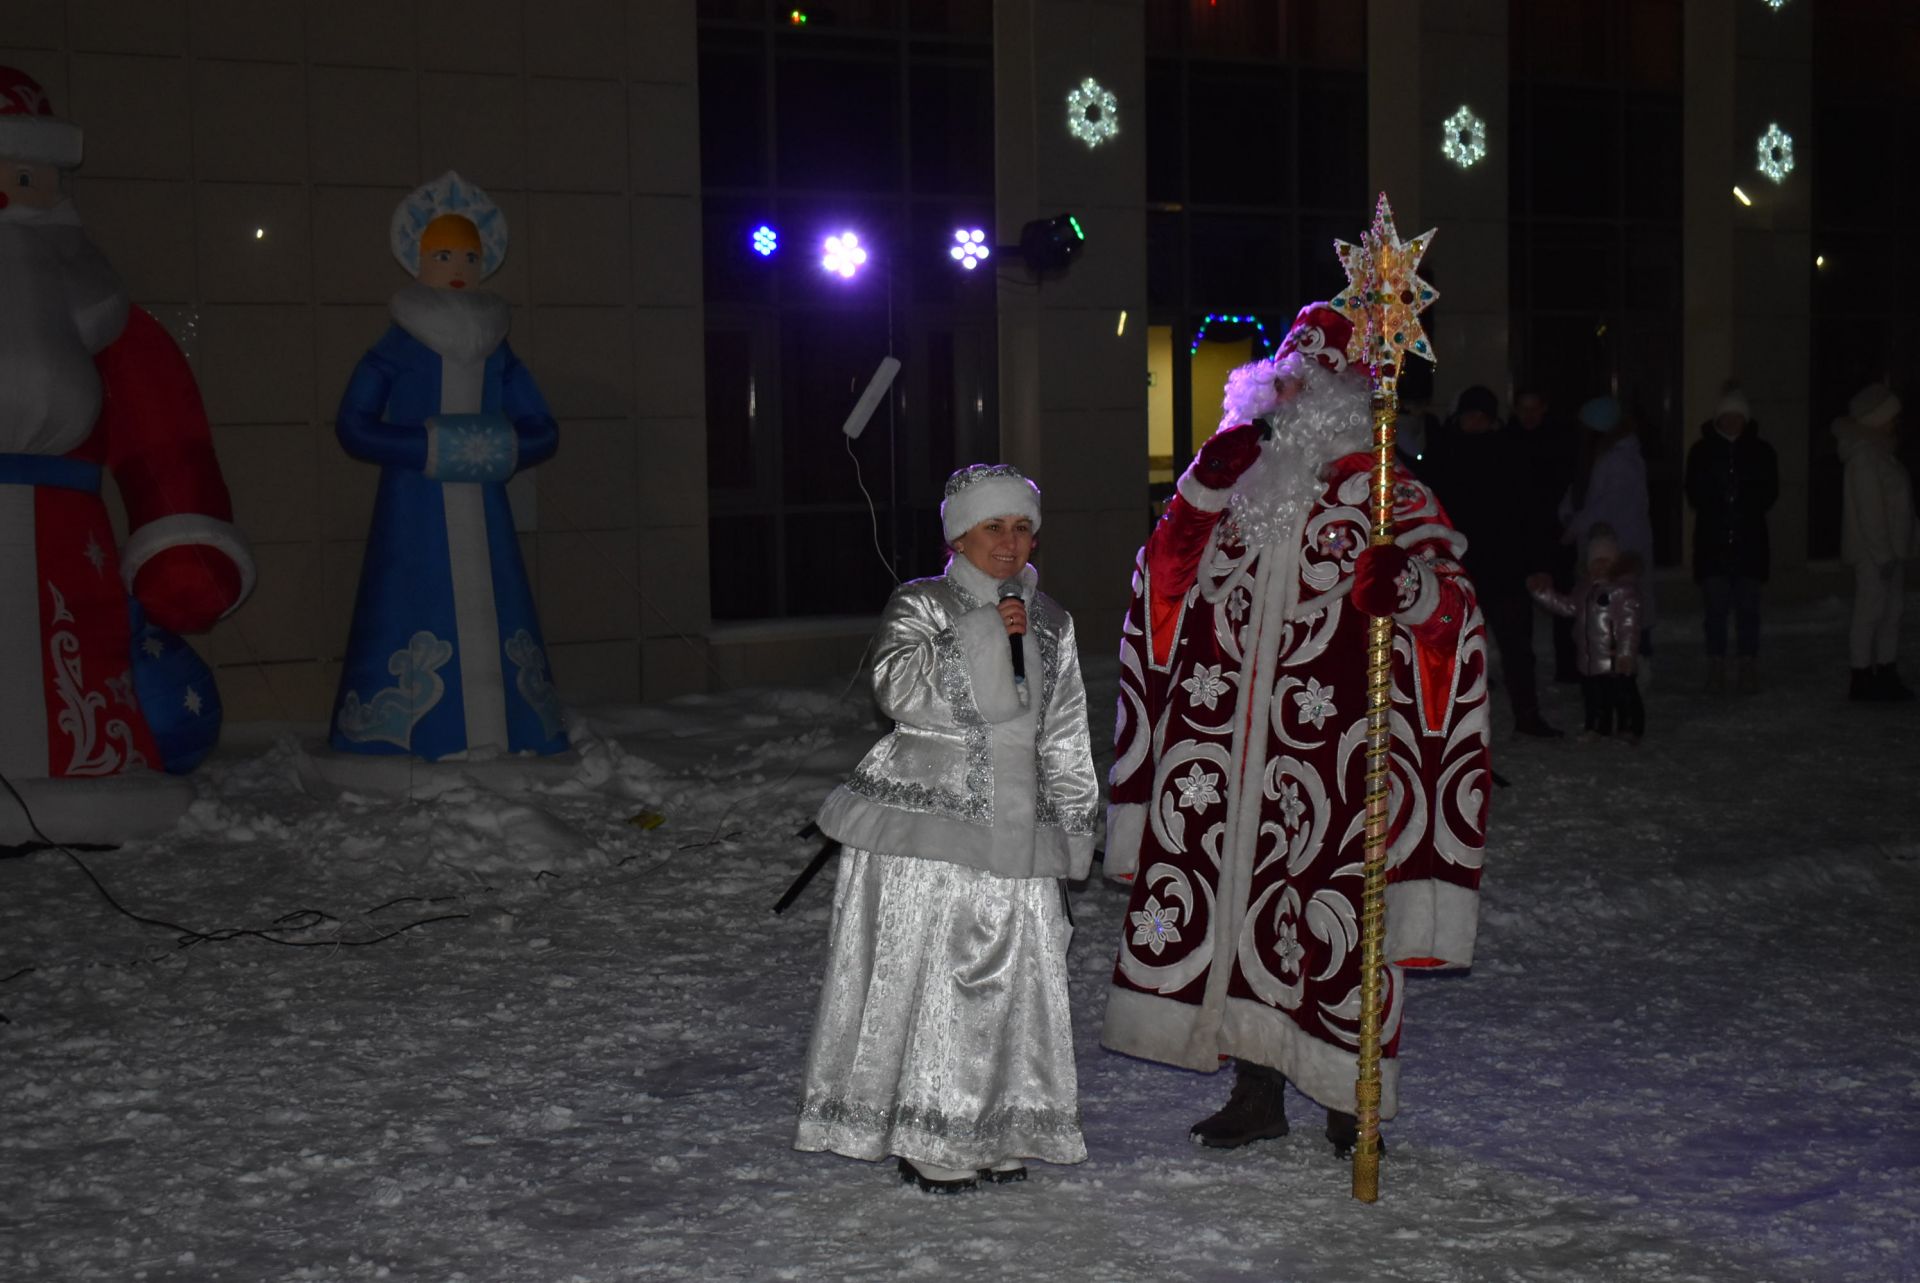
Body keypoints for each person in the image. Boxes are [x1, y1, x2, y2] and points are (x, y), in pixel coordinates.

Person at [1102, 304, 1490, 1158]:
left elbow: (1453, 616)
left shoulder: (1387, 489)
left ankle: (1353, 1098)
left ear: (1342, 397)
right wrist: (1200, 490)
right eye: (1276, 382)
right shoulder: (1232, 482)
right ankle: (1257, 1085)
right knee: (1240, 907)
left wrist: (1413, 592)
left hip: (1338, 753)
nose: (1283, 399)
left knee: (1335, 915)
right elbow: (1160, 585)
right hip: (1227, 743)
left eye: (1301, 385)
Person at [796, 464, 1098, 1194]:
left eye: (1023, 527)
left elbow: (1064, 730)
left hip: (1020, 823)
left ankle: (997, 1123)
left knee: (1014, 977)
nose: (1010, 542)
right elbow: (898, 689)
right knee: (938, 975)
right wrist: (984, 634)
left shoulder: (1051, 618)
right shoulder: (923, 604)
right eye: (994, 526)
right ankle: (930, 1127)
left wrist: (1076, 821)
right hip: (930, 826)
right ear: (960, 533)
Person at [0, 66, 253, 808]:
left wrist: (183, 539)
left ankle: (87, 773)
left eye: (22, 176)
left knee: (76, 663)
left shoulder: (102, 312)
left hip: (67, 539)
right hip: (64, 529)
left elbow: (160, 432)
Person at [329, 172, 567, 760]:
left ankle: (513, 727)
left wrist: (493, 446)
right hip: (413, 507)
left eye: (468, 254)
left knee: (496, 600)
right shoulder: (398, 345)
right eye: (442, 254)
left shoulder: (497, 346)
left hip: (483, 507)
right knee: (415, 597)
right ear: (417, 258)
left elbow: (542, 427)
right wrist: (434, 447)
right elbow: (354, 425)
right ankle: (408, 733)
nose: (457, 265)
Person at [1424, 385, 1561, 737]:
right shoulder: (1444, 453)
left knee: (1517, 648)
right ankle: (1445, 723)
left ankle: (1527, 715)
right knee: (1449, 648)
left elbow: (1532, 513)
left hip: (1505, 567)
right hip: (1456, 569)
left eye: (1480, 416)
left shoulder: (1511, 454)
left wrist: (1539, 564)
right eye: (1469, 415)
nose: (1474, 422)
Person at [1684, 385, 1779, 694]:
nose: (1731, 421)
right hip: (1713, 543)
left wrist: (1743, 499)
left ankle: (1748, 663)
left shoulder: (1762, 451)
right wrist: (1718, 498)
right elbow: (1694, 492)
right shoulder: (1701, 451)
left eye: (1737, 416)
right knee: (1716, 610)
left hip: (1749, 542)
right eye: (1726, 416)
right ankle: (1717, 664)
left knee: (1749, 609)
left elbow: (1769, 493)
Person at [1563, 396, 1656, 676]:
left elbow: (1606, 504)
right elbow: (1584, 494)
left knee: (1626, 606)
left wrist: (1575, 524)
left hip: (1619, 544)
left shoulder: (1618, 460)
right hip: (1607, 543)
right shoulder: (1608, 456)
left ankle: (1636, 664)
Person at [1833, 384, 1915, 702]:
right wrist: (1882, 554)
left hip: (1889, 551)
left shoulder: (1881, 452)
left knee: (1891, 611)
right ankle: (1862, 676)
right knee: (1870, 611)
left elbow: (1900, 506)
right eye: (1892, 417)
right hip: (1873, 553)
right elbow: (1870, 512)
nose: (1896, 423)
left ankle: (1886, 671)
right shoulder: (1865, 456)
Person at [1527, 526, 1645, 743]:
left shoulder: (1622, 591)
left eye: (1605, 561)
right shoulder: (1583, 590)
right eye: (1595, 562)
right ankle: (1597, 726)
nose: (1599, 567)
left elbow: (1629, 625)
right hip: (1589, 659)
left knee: (1623, 693)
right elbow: (1567, 607)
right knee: (1594, 696)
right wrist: (1543, 594)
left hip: (1614, 657)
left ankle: (1630, 726)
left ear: (1615, 563)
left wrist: (1626, 653)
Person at [1511, 389, 1580, 683]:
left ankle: (1567, 666)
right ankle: (1522, 668)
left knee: (1562, 600)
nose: (1529, 415)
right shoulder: (1508, 441)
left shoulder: (1559, 441)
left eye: (1534, 408)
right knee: (1517, 607)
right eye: (1524, 408)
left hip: (1553, 532)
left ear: (1544, 408)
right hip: (1518, 534)